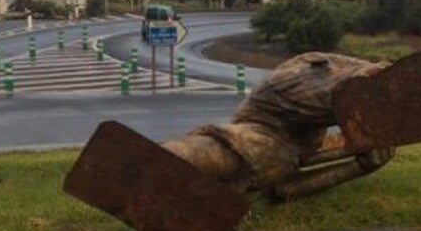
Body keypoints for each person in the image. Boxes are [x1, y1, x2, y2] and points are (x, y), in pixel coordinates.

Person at [161, 52, 395, 201]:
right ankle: (154, 160)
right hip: (281, 106)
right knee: (257, 150)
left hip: (298, 122)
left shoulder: (295, 148)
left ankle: (156, 160)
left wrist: (358, 166)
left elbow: (283, 191)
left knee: (273, 157)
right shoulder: (273, 135)